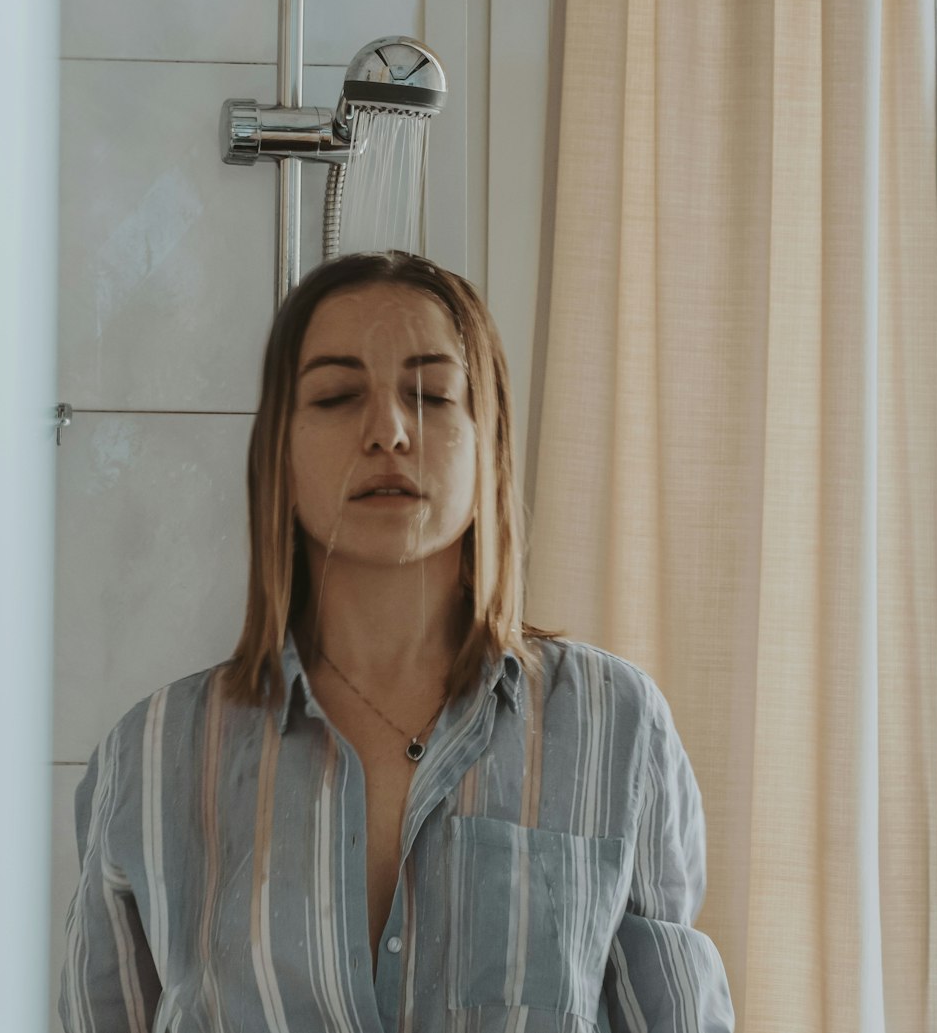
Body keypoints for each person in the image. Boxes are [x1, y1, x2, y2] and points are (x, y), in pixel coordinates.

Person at [59, 251, 734, 1032]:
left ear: (490, 441)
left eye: (433, 394)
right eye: (338, 395)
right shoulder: (150, 757)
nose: (387, 431)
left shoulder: (616, 726)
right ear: (278, 449)